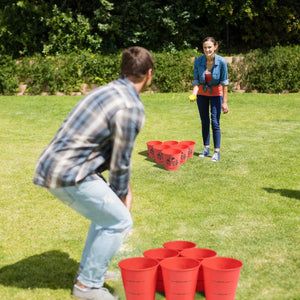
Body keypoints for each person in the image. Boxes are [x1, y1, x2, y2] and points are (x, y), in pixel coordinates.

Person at [33, 47, 154, 300]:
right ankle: (87, 286)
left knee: (105, 216)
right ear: (149, 74)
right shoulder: (131, 106)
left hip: (56, 166)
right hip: (70, 173)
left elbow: (108, 149)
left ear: (122, 71)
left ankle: (88, 272)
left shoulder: (104, 91)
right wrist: (121, 194)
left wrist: (122, 188)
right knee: (119, 220)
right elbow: (120, 160)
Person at [189, 37, 229, 161]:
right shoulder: (198, 61)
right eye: (205, 47)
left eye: (210, 47)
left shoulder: (221, 62)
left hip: (217, 93)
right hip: (202, 94)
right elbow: (196, 80)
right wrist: (194, 93)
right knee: (204, 121)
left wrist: (225, 102)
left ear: (215, 47)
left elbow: (224, 83)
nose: (207, 50)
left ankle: (216, 151)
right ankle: (206, 148)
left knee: (215, 122)